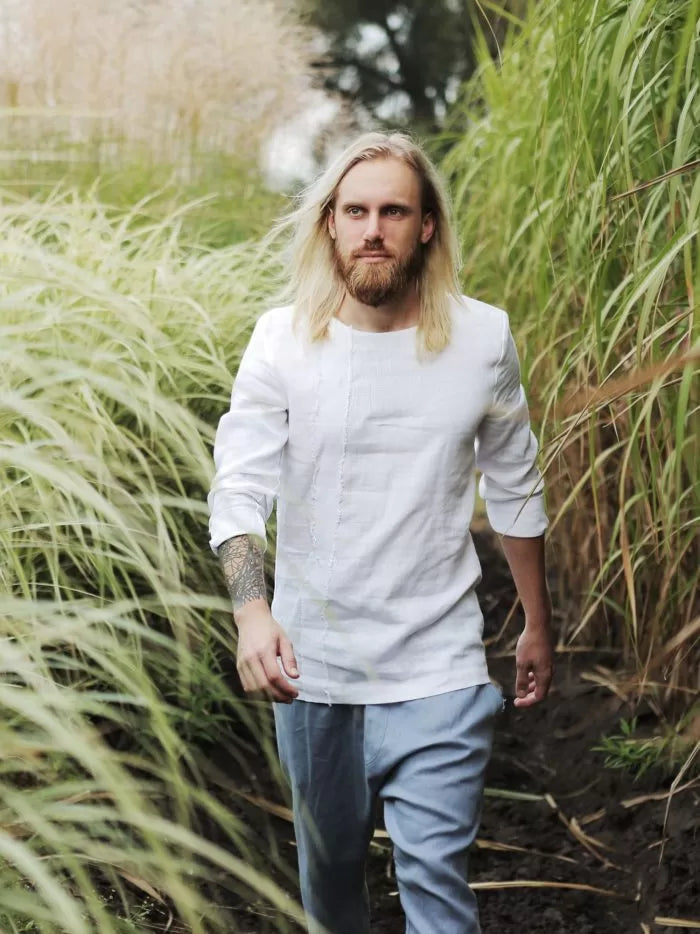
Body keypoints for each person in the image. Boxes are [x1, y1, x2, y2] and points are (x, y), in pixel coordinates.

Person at [207, 132, 554, 934]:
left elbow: (515, 482)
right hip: (315, 672)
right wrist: (253, 614)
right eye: (355, 211)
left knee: (435, 884)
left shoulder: (482, 339)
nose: (373, 229)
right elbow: (240, 488)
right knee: (331, 885)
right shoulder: (281, 340)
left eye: (394, 211)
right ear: (330, 224)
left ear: (426, 225)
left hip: (440, 663)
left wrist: (537, 622)